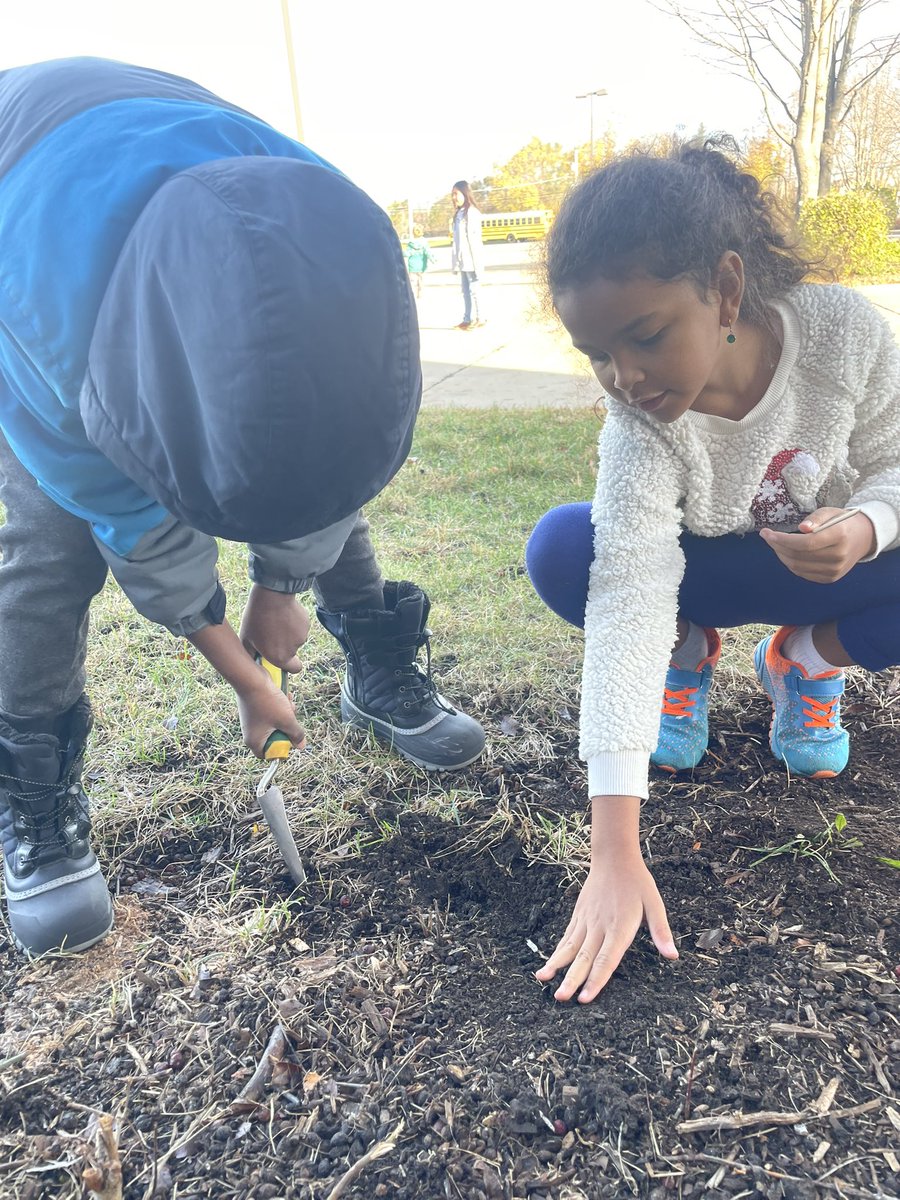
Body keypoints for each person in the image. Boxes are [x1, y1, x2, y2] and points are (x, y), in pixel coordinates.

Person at [0, 57, 485, 959]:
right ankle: (33, 781)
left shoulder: (340, 240)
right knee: (49, 536)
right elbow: (133, 528)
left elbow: (335, 442)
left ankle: (375, 663)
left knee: (307, 450)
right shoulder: (42, 321)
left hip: (185, 163)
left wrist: (283, 585)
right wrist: (245, 676)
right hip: (29, 197)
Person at [525, 142, 900, 1005]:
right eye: (597, 354)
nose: (625, 378)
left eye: (646, 336)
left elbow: (893, 463)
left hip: (824, 567)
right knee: (565, 549)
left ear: (726, 289)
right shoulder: (638, 423)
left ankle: (809, 659)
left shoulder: (841, 335)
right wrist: (614, 854)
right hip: (701, 572)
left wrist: (867, 527)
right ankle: (686, 651)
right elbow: (626, 590)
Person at [450, 180, 486, 329]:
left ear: (464, 193)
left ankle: (480, 318)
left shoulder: (472, 213)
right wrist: (456, 261)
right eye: (452, 195)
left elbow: (474, 240)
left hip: (472, 259)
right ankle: (467, 319)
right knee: (465, 291)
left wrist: (477, 262)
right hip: (463, 260)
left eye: (456, 194)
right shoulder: (458, 214)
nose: (453, 197)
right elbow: (457, 241)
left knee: (474, 290)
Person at [405, 224, 434, 300]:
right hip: (422, 265)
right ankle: (420, 293)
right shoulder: (424, 243)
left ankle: (413, 294)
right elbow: (428, 252)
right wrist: (432, 259)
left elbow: (407, 253)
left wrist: (402, 253)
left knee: (413, 281)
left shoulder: (411, 243)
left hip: (412, 266)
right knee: (421, 280)